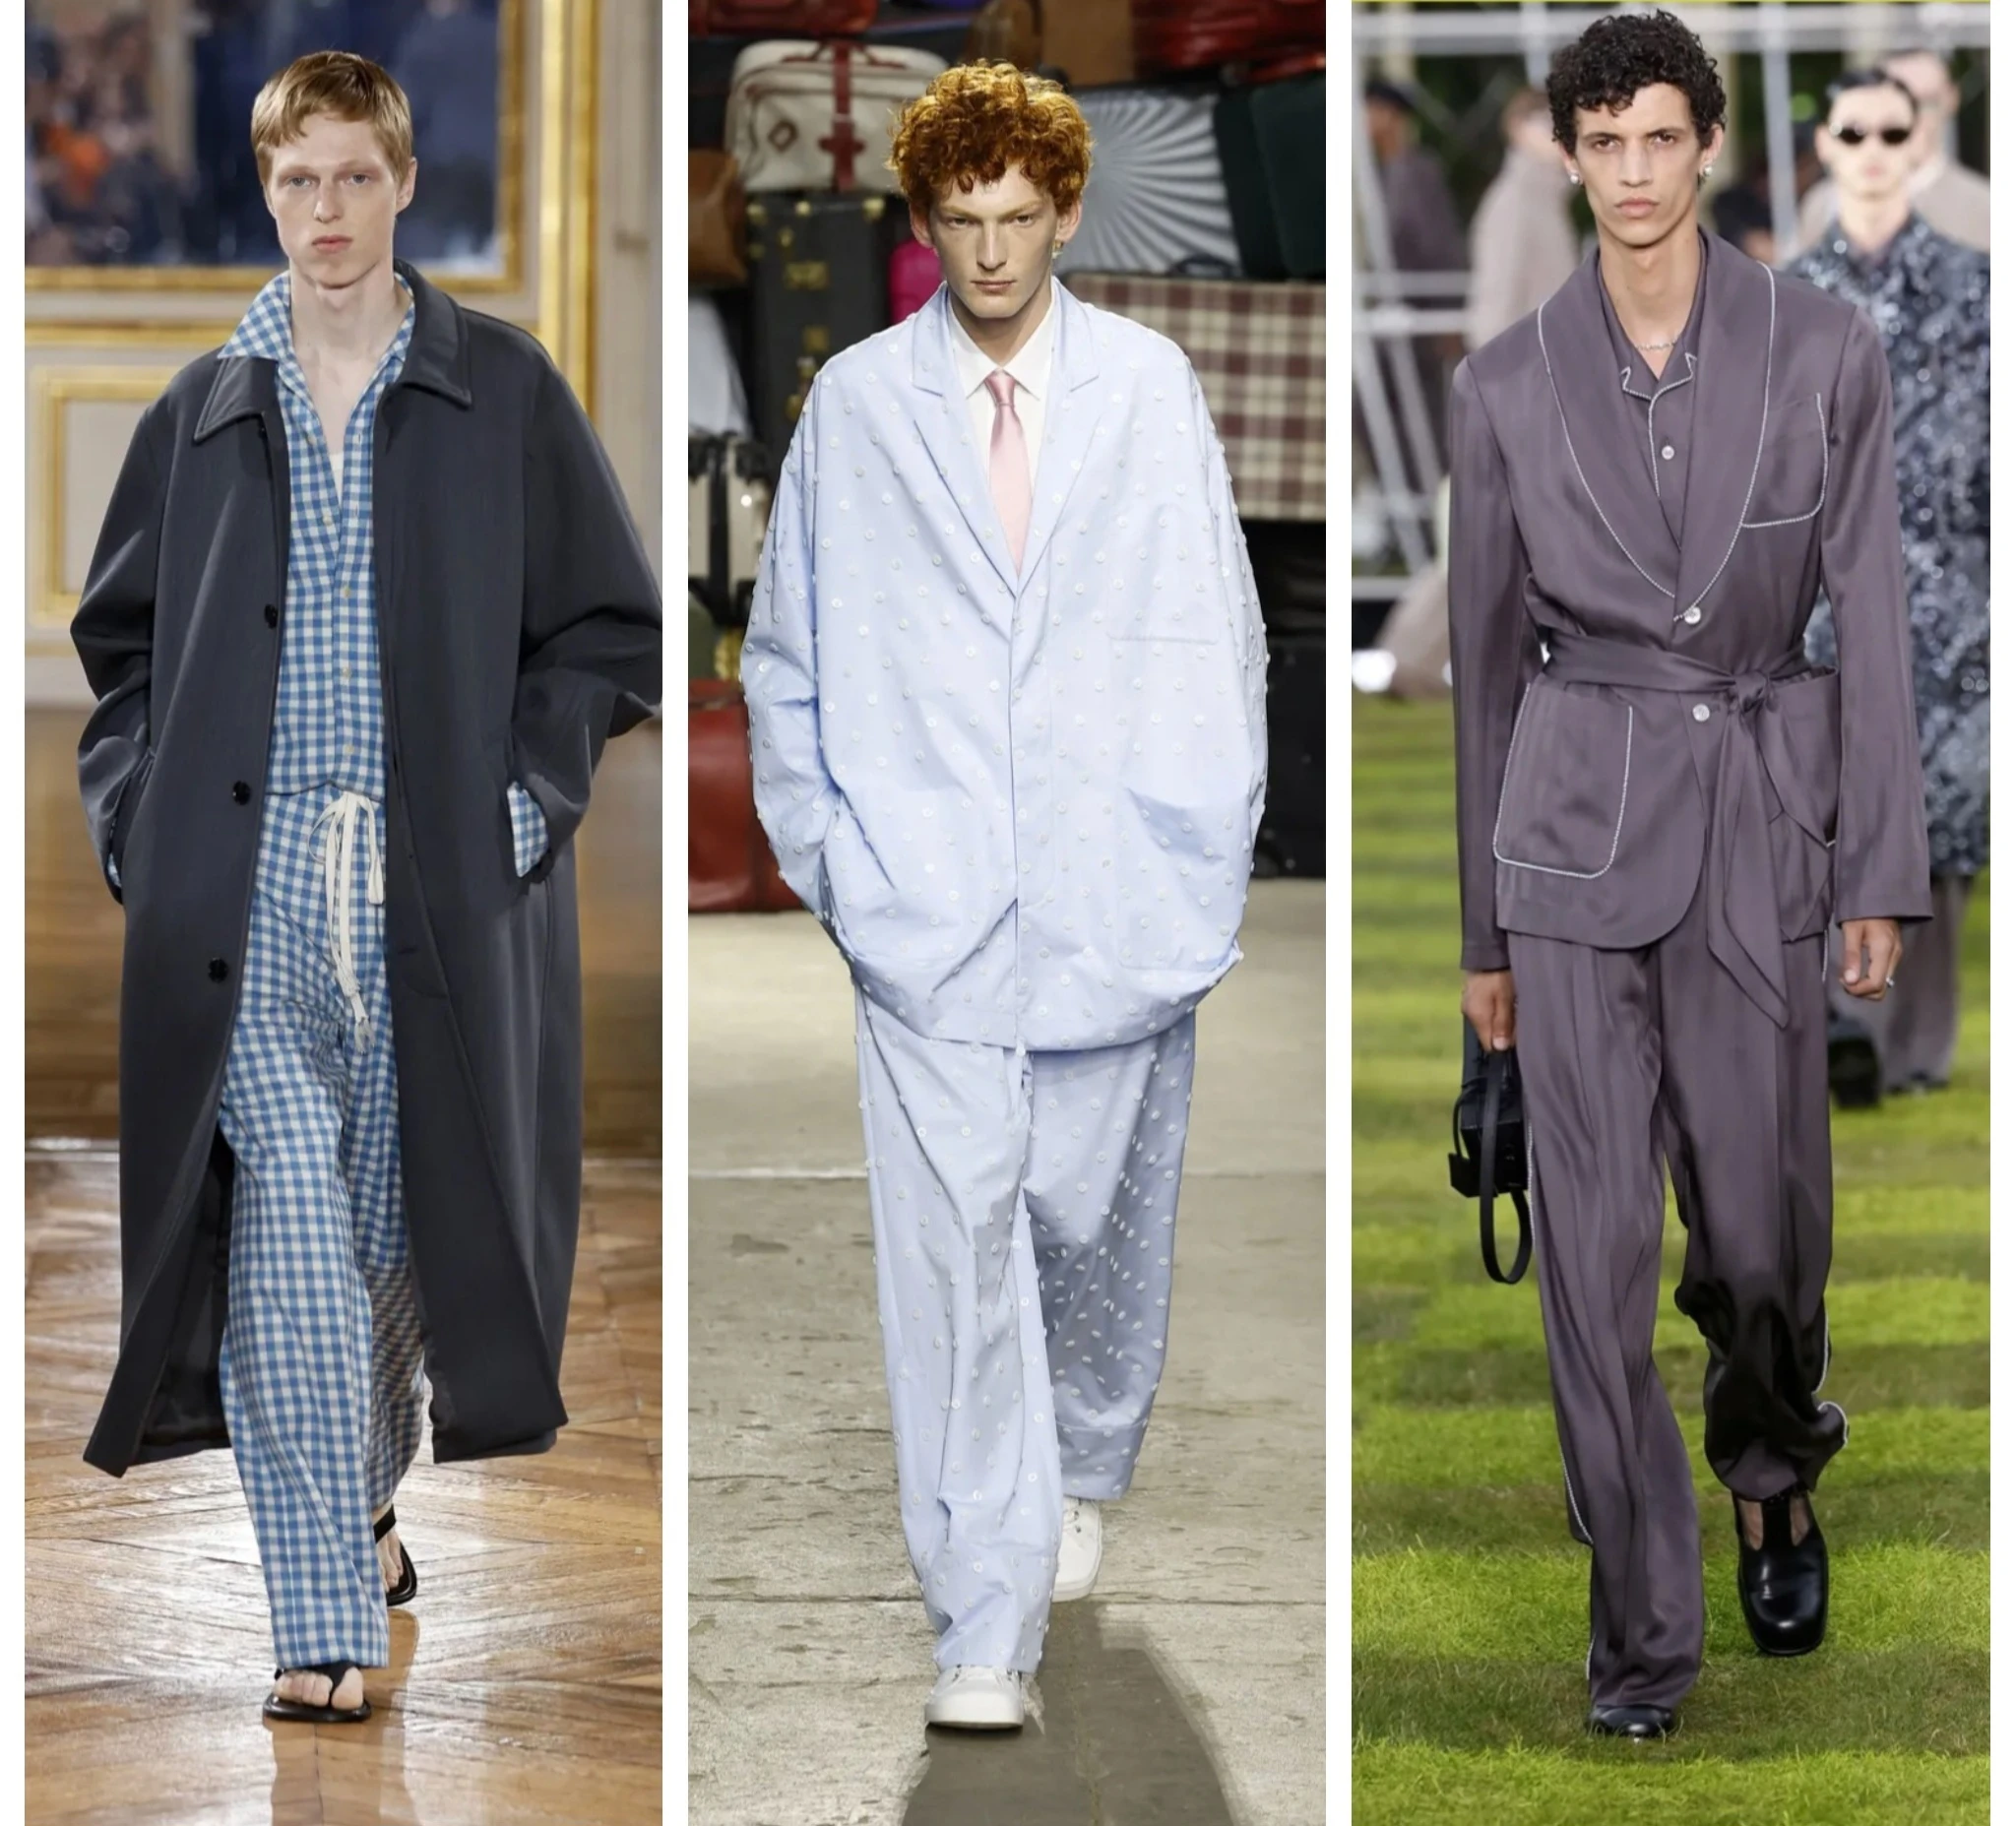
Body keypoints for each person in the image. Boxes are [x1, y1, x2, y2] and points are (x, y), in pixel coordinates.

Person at [70, 52, 660, 1726]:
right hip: (242, 894)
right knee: (289, 1227)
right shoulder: (202, 411)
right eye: (295, 179)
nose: (323, 211)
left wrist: (525, 804)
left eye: (352, 176)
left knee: (401, 1247)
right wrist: (140, 827)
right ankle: (320, 1615)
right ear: (263, 190)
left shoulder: (501, 389)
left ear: (402, 183)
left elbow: (604, 632)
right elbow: (123, 652)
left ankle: (364, 1497)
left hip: (427, 897)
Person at [741, 61, 1267, 1733]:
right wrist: (841, 869)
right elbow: (787, 650)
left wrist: (1200, 852)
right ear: (921, 222)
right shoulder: (855, 407)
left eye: (1017, 219)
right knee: (955, 1257)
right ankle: (980, 1620)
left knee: (1088, 1223)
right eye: (960, 221)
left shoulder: (1146, 389)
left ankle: (1081, 1459)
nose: (988, 252)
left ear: (1064, 215)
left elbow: (1217, 629)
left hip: (1122, 890)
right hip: (927, 908)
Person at [1446, 10, 1929, 1741]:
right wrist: (1483, 937)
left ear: (1707, 147)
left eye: (1663, 137)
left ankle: (1770, 1468)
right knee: (1587, 1267)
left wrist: (1876, 867)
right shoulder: (1500, 387)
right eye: (1607, 143)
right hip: (1569, 849)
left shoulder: (1824, 351)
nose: (1636, 171)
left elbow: (1870, 616)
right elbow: (1484, 676)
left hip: (1754, 828)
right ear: (1568, 154)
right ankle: (1642, 1637)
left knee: (1761, 1239)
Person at [1789, 70, 1988, 1100]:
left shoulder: (1980, 287)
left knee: (1943, 822)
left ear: (1916, 145)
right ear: (1824, 143)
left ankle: (1909, 1048)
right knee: (1825, 807)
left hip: (1957, 594)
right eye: (1852, 131)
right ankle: (1840, 1025)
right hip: (1820, 591)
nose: (1871, 149)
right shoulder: (1780, 299)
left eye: (1889, 132)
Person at [1794, 47, 1988, 255]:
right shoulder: (1822, 203)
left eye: (1927, 102)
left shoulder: (1984, 207)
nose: (1913, 114)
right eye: (1895, 95)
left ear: (1952, 98)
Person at [1467, 86, 1582, 351]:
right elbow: (1496, 301)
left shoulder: (1549, 199)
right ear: (1518, 129)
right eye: (1548, 124)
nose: (1560, 137)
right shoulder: (1514, 202)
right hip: (1527, 364)